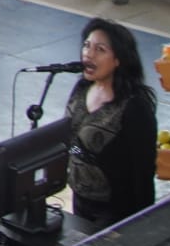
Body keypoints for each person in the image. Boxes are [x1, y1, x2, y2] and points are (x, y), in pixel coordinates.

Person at [66, 18, 158, 228]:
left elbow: (143, 170)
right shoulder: (81, 88)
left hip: (115, 208)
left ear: (118, 60)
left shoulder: (135, 106)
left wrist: (143, 224)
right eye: (87, 46)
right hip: (80, 198)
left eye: (100, 49)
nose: (88, 54)